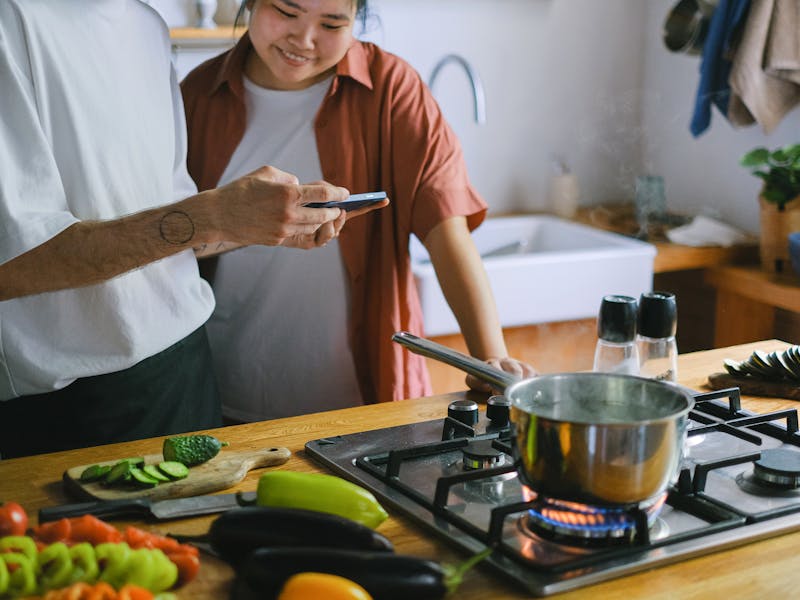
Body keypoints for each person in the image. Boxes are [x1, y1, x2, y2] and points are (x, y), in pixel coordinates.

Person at [0, 0, 382, 459]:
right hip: (69, 403)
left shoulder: (148, 27)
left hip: (186, 374)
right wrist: (214, 214)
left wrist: (255, 224)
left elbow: (166, 233)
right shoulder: (13, 21)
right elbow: (14, 263)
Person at [180, 0, 536, 422]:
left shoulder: (391, 89)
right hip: (222, 394)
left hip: (364, 406)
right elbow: (170, 244)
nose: (305, 39)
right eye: (287, 12)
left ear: (357, 22)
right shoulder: (196, 96)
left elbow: (446, 231)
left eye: (332, 23)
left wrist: (491, 360)